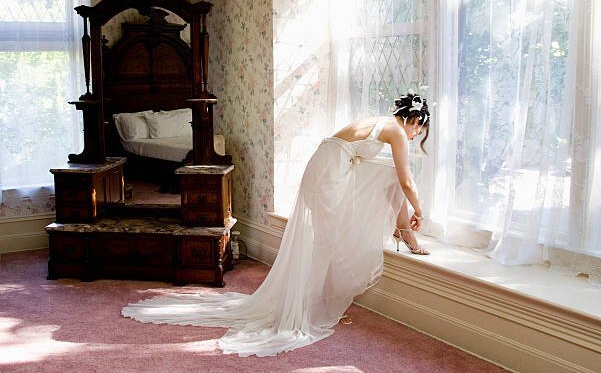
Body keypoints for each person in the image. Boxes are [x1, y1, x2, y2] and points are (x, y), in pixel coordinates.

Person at [122, 93, 431, 357]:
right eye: (420, 132)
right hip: (330, 174)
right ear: (415, 122)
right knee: (330, 241)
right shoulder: (396, 131)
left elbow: (391, 177)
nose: (416, 138)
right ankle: (307, 307)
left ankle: (401, 236)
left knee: (338, 229)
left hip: (326, 168)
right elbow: (406, 179)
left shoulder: (380, 122)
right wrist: (420, 209)